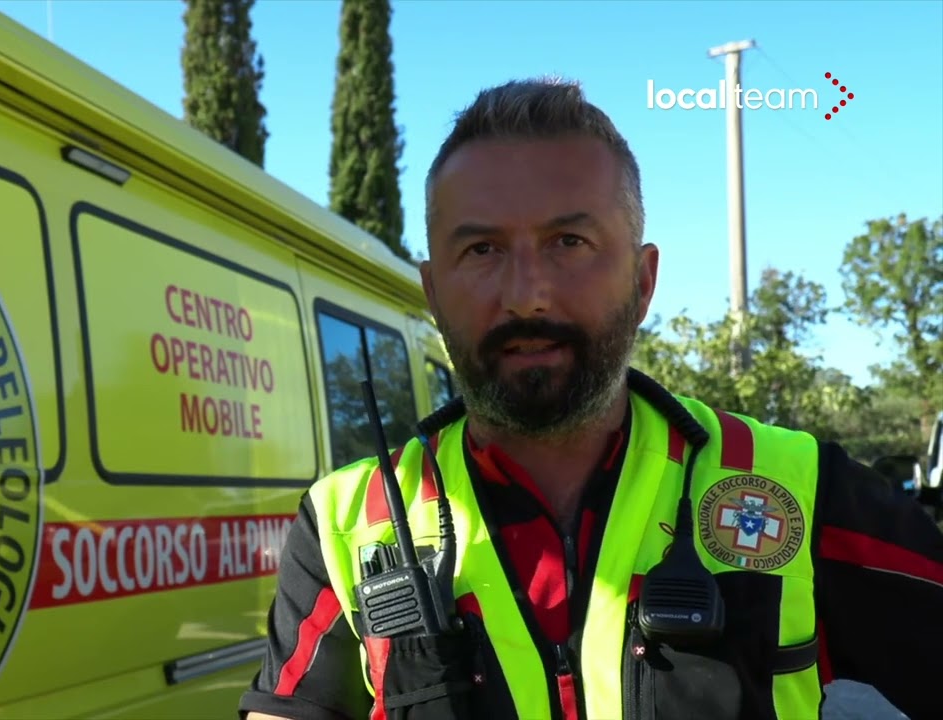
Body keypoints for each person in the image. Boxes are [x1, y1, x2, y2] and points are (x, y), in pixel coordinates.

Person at [238, 77, 943, 720]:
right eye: (481, 250)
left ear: (643, 282)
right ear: (432, 291)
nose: (526, 295)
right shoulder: (346, 524)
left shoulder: (798, 489)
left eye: (569, 242)